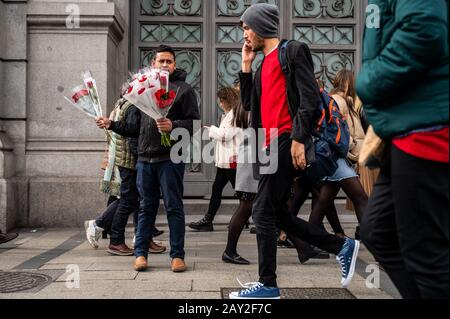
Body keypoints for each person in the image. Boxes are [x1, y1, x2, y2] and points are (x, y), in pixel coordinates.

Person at [229, 3, 360, 299]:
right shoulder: (262, 65)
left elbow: (309, 98)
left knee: (262, 212)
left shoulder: (293, 51)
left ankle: (268, 285)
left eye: (247, 27)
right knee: (275, 214)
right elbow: (249, 105)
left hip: (287, 140)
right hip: (268, 145)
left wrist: (300, 139)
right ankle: (341, 246)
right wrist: (247, 66)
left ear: (261, 25)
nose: (244, 33)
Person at [357, 0, 449, 299]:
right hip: (403, 127)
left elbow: (424, 29)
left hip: (425, 128)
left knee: (426, 255)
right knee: (377, 231)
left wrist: (369, 82)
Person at [97, 45, 200, 272]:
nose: (164, 65)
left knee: (173, 207)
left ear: (174, 65)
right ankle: (141, 254)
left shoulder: (184, 90)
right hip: (144, 158)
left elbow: (193, 123)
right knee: (145, 208)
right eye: (160, 61)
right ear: (153, 64)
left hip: (171, 158)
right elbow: (134, 127)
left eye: (169, 61)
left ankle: (177, 256)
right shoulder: (143, 89)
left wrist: (173, 125)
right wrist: (112, 124)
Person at [92, 94, 166, 256]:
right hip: (131, 160)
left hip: (127, 159)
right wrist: (142, 157)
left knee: (138, 201)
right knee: (128, 201)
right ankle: (116, 240)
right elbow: (132, 131)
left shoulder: (123, 103)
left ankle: (143, 238)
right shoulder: (133, 105)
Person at [189, 87, 243, 232]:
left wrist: (211, 130)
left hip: (231, 161)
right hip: (225, 161)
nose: (220, 103)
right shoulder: (230, 115)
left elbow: (226, 135)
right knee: (219, 189)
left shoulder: (235, 115)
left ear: (227, 100)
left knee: (242, 193)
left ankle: (249, 218)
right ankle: (209, 219)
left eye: (222, 100)